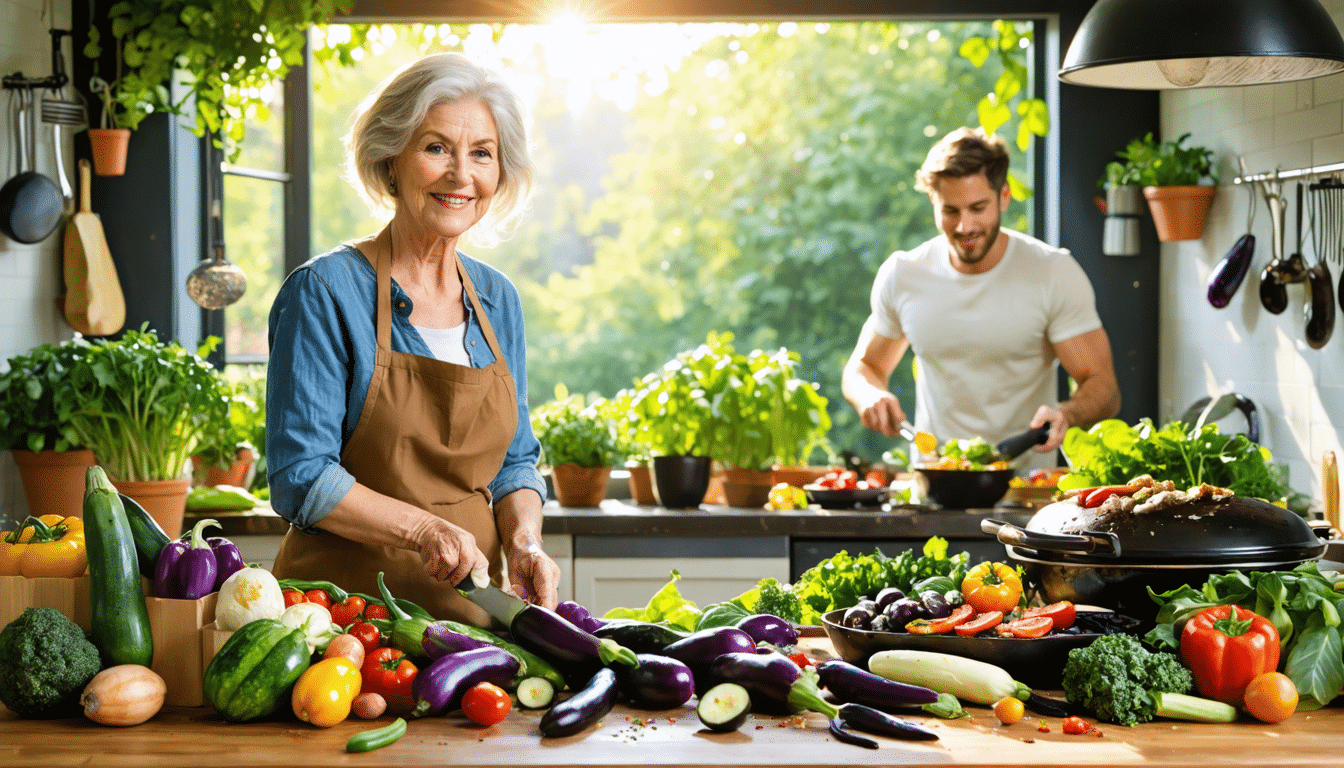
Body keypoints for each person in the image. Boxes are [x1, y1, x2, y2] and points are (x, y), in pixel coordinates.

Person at [265, 53, 561, 625]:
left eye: (482, 153)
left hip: (471, 626)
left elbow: (514, 461)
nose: (461, 175)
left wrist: (524, 542)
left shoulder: (497, 299)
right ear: (391, 159)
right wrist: (424, 529)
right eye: (436, 148)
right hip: (340, 624)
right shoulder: (325, 291)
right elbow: (301, 475)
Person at [841, 127, 1121, 470]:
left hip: (1026, 484)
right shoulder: (904, 274)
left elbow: (1103, 387)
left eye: (978, 208)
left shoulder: (1052, 272)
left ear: (1004, 196)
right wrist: (870, 395)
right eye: (951, 211)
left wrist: (1067, 413)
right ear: (933, 202)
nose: (965, 226)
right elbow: (864, 368)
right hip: (936, 480)